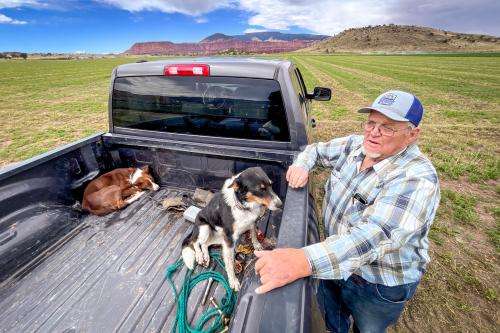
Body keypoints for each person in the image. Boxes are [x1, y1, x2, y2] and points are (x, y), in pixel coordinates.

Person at [254, 90, 440, 332]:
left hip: (376, 283)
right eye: (371, 122)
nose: (374, 132)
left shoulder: (416, 178)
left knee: (368, 327)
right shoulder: (354, 146)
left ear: (412, 134)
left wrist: (304, 259)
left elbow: (375, 235)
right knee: (331, 318)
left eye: (388, 127)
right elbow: (315, 151)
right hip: (333, 262)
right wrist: (302, 165)